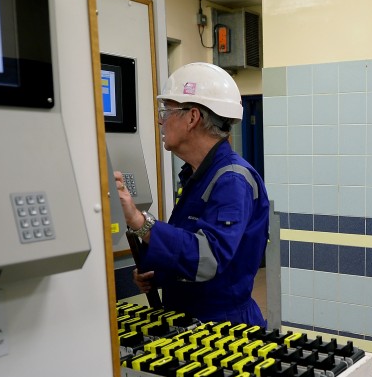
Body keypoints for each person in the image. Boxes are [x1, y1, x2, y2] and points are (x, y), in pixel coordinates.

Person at [115, 62, 269, 327]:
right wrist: (159, 274)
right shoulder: (198, 175)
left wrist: (141, 223)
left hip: (224, 328)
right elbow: (193, 245)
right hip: (194, 319)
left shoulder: (232, 180)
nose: (161, 120)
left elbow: (210, 258)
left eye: (167, 111)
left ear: (192, 117)